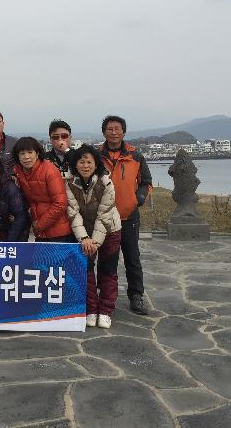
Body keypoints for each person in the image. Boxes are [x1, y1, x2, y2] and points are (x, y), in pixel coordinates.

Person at [98, 115, 153, 315]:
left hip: (129, 216)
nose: (114, 132)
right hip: (104, 217)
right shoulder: (97, 155)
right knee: (106, 259)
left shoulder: (135, 156)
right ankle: (104, 294)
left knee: (132, 257)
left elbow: (146, 182)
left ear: (123, 132)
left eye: (117, 128)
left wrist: (137, 200)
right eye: (109, 129)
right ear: (104, 132)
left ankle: (136, 295)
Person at [67, 144, 122, 329]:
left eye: (89, 162)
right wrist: (84, 239)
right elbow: (73, 212)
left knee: (108, 269)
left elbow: (105, 214)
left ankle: (105, 310)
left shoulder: (105, 182)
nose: (85, 166)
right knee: (86, 269)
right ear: (75, 164)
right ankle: (91, 308)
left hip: (110, 229)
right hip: (84, 231)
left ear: (96, 163)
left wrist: (95, 242)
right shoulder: (69, 182)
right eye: (81, 162)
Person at [12, 136, 74, 242]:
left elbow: (60, 203)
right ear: (17, 156)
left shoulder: (49, 170)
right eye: (22, 153)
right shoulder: (19, 172)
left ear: (37, 154)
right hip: (41, 232)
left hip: (58, 232)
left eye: (30, 152)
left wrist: (39, 225)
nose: (26, 157)